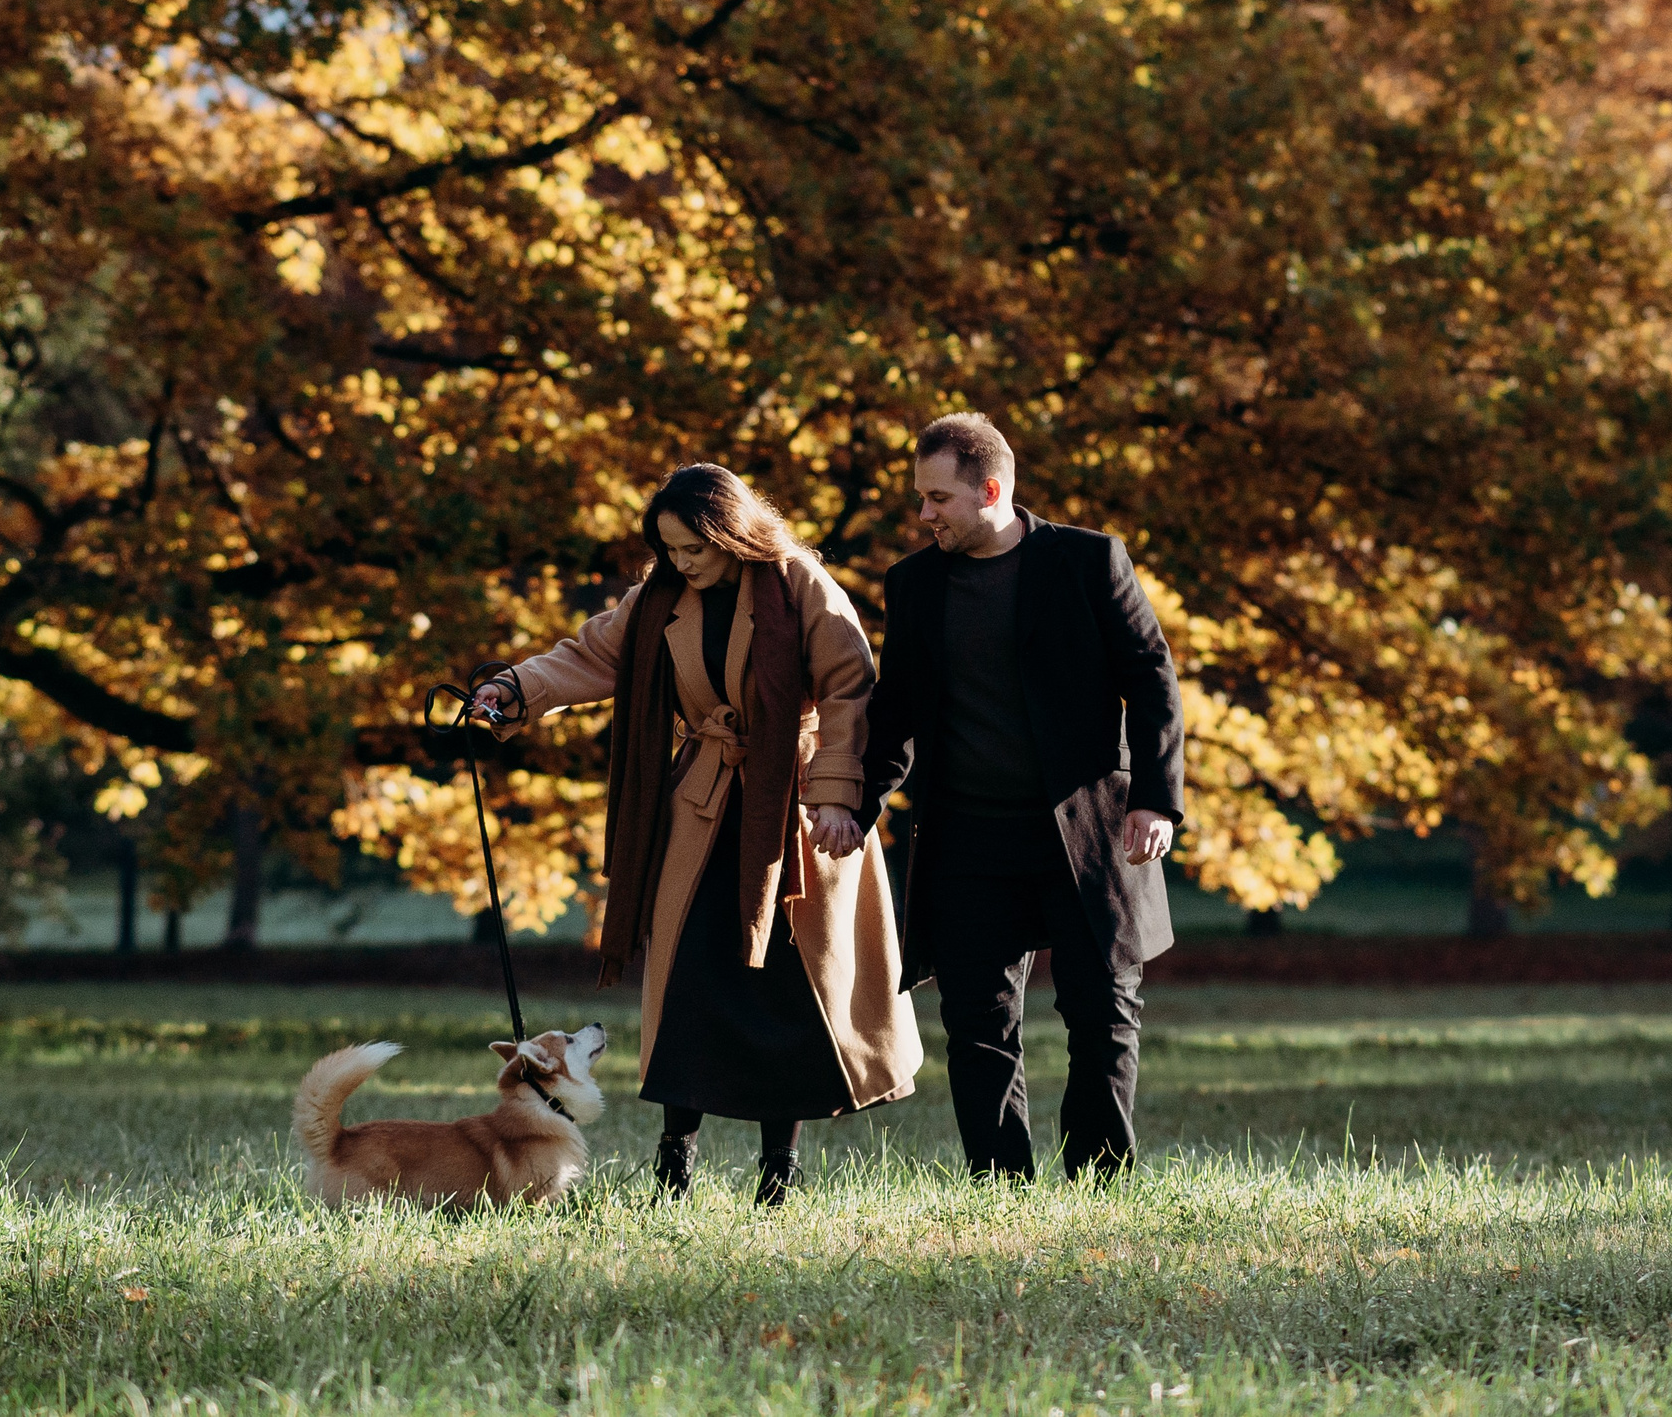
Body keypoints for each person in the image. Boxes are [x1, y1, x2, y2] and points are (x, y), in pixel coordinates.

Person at [477, 463, 921, 1204]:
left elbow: (849, 683)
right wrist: (513, 689)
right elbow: (590, 655)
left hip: (797, 805)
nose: (682, 562)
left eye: (694, 547)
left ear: (730, 530)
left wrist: (839, 795)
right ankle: (672, 1165)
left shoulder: (799, 581)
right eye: (671, 548)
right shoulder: (657, 599)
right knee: (687, 984)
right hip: (703, 807)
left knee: (787, 992)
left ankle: (779, 1170)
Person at [857, 412, 1184, 1182]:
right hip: (968, 839)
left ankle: (1100, 1182)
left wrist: (1156, 800)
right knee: (976, 1023)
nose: (924, 513)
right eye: (922, 498)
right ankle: (1001, 1185)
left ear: (990, 490)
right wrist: (855, 802)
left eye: (938, 498)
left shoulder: (1088, 561)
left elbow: (1152, 679)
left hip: (1088, 832)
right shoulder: (913, 584)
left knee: (1103, 1013)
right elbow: (895, 712)